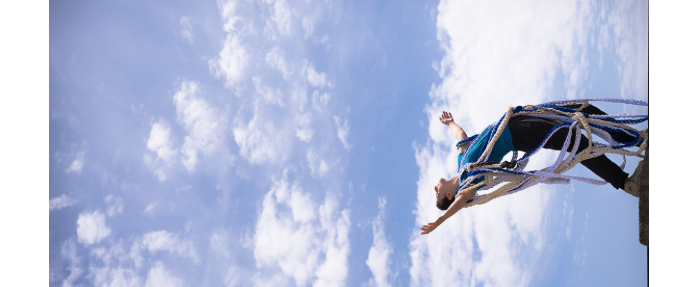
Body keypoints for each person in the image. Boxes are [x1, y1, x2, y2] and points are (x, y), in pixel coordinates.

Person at [421, 104, 646, 235]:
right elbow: (461, 203)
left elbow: (461, 136)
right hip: (519, 134)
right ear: (449, 195)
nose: (435, 188)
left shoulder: (462, 165)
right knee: (576, 141)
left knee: (582, 109)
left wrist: (450, 123)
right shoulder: (470, 183)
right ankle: (626, 183)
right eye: (437, 193)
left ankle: (636, 138)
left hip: (518, 118)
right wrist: (440, 221)